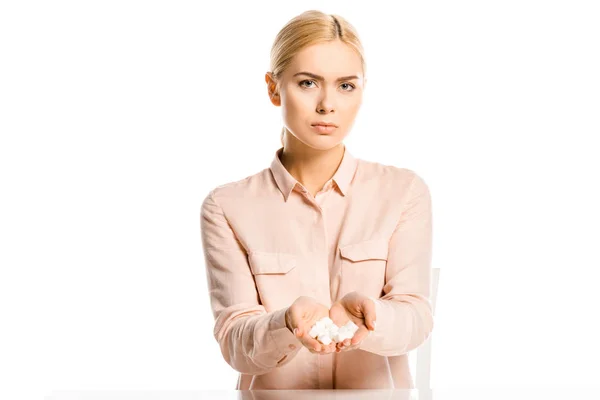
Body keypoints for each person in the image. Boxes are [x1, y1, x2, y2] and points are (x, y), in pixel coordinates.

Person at [200, 9, 434, 390]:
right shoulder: (227, 206)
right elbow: (234, 342)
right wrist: (285, 324)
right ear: (274, 88)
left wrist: (373, 316)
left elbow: (417, 319)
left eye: (346, 86)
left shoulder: (403, 191)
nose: (328, 104)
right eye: (308, 83)